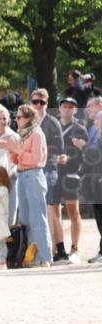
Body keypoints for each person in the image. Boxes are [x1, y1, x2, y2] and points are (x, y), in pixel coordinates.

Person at [0, 105, 52, 267]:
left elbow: (35, 159)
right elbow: (20, 158)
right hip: (22, 176)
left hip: (34, 175)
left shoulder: (37, 134)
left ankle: (45, 256)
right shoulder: (24, 134)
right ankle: (31, 256)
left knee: (38, 218)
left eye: (19, 117)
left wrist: (16, 149)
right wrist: (11, 152)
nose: (16, 120)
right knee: (27, 220)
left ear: (28, 118)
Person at [29, 88, 67, 263]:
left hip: (48, 169)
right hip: (30, 170)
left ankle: (54, 251)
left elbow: (59, 149)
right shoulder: (27, 122)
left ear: (47, 103)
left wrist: (39, 155)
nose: (38, 105)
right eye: (35, 102)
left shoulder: (53, 123)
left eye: (41, 102)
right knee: (41, 211)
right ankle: (58, 249)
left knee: (49, 209)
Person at [54, 97, 88, 264]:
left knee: (73, 212)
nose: (67, 109)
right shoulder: (53, 126)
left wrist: (70, 157)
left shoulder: (80, 129)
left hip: (72, 174)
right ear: (59, 108)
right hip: (54, 174)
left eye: (70, 107)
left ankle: (75, 249)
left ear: (75, 110)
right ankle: (58, 249)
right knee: (54, 213)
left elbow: (84, 154)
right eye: (64, 106)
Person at [71, 96, 102, 263]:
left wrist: (84, 146)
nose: (87, 109)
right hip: (94, 177)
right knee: (98, 214)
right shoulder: (92, 127)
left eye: (90, 106)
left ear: (99, 105)